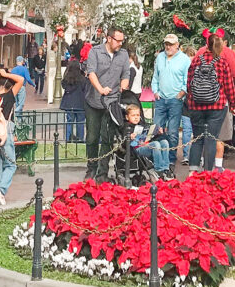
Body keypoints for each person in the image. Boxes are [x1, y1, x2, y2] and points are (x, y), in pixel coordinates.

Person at [84, 25, 130, 181]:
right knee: (91, 138)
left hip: (112, 103)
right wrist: (100, 89)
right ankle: (91, 168)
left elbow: (125, 74)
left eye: (122, 41)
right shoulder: (95, 52)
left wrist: (124, 86)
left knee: (107, 138)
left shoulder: (123, 55)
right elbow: (91, 73)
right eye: (118, 41)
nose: (120, 44)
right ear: (109, 38)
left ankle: (102, 173)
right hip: (94, 101)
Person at [186, 33, 235, 173]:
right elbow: (229, 86)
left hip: (196, 105)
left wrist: (191, 99)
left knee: (197, 138)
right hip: (217, 105)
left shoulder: (196, 61)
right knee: (211, 138)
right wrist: (233, 105)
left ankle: (193, 170)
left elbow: (189, 83)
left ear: (206, 44)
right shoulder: (221, 62)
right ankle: (208, 171)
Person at [0, 66, 24, 207]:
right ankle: (1, 191)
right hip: (5, 129)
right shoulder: (9, 95)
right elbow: (21, 79)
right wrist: (6, 74)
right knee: (10, 164)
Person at [151, 34, 190, 169]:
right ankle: (157, 156)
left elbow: (187, 79)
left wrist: (181, 94)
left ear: (177, 45)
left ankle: (171, 159)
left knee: (173, 132)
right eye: (166, 44)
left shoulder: (185, 60)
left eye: (171, 44)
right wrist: (155, 91)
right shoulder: (160, 57)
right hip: (161, 99)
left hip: (175, 100)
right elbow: (155, 76)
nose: (168, 46)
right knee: (156, 129)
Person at [125, 103, 172, 178]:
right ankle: (158, 169)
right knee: (156, 144)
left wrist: (158, 133)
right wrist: (129, 136)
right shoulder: (126, 127)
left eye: (137, 115)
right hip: (137, 149)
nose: (136, 117)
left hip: (147, 145)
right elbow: (123, 142)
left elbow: (151, 137)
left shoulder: (143, 125)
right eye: (133, 115)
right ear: (127, 117)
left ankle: (166, 168)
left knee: (164, 142)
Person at [60, 60, 87, 142]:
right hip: (80, 103)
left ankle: (68, 138)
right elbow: (85, 89)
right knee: (80, 123)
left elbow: (64, 86)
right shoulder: (82, 79)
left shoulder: (66, 79)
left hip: (69, 103)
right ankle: (80, 139)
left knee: (69, 121)